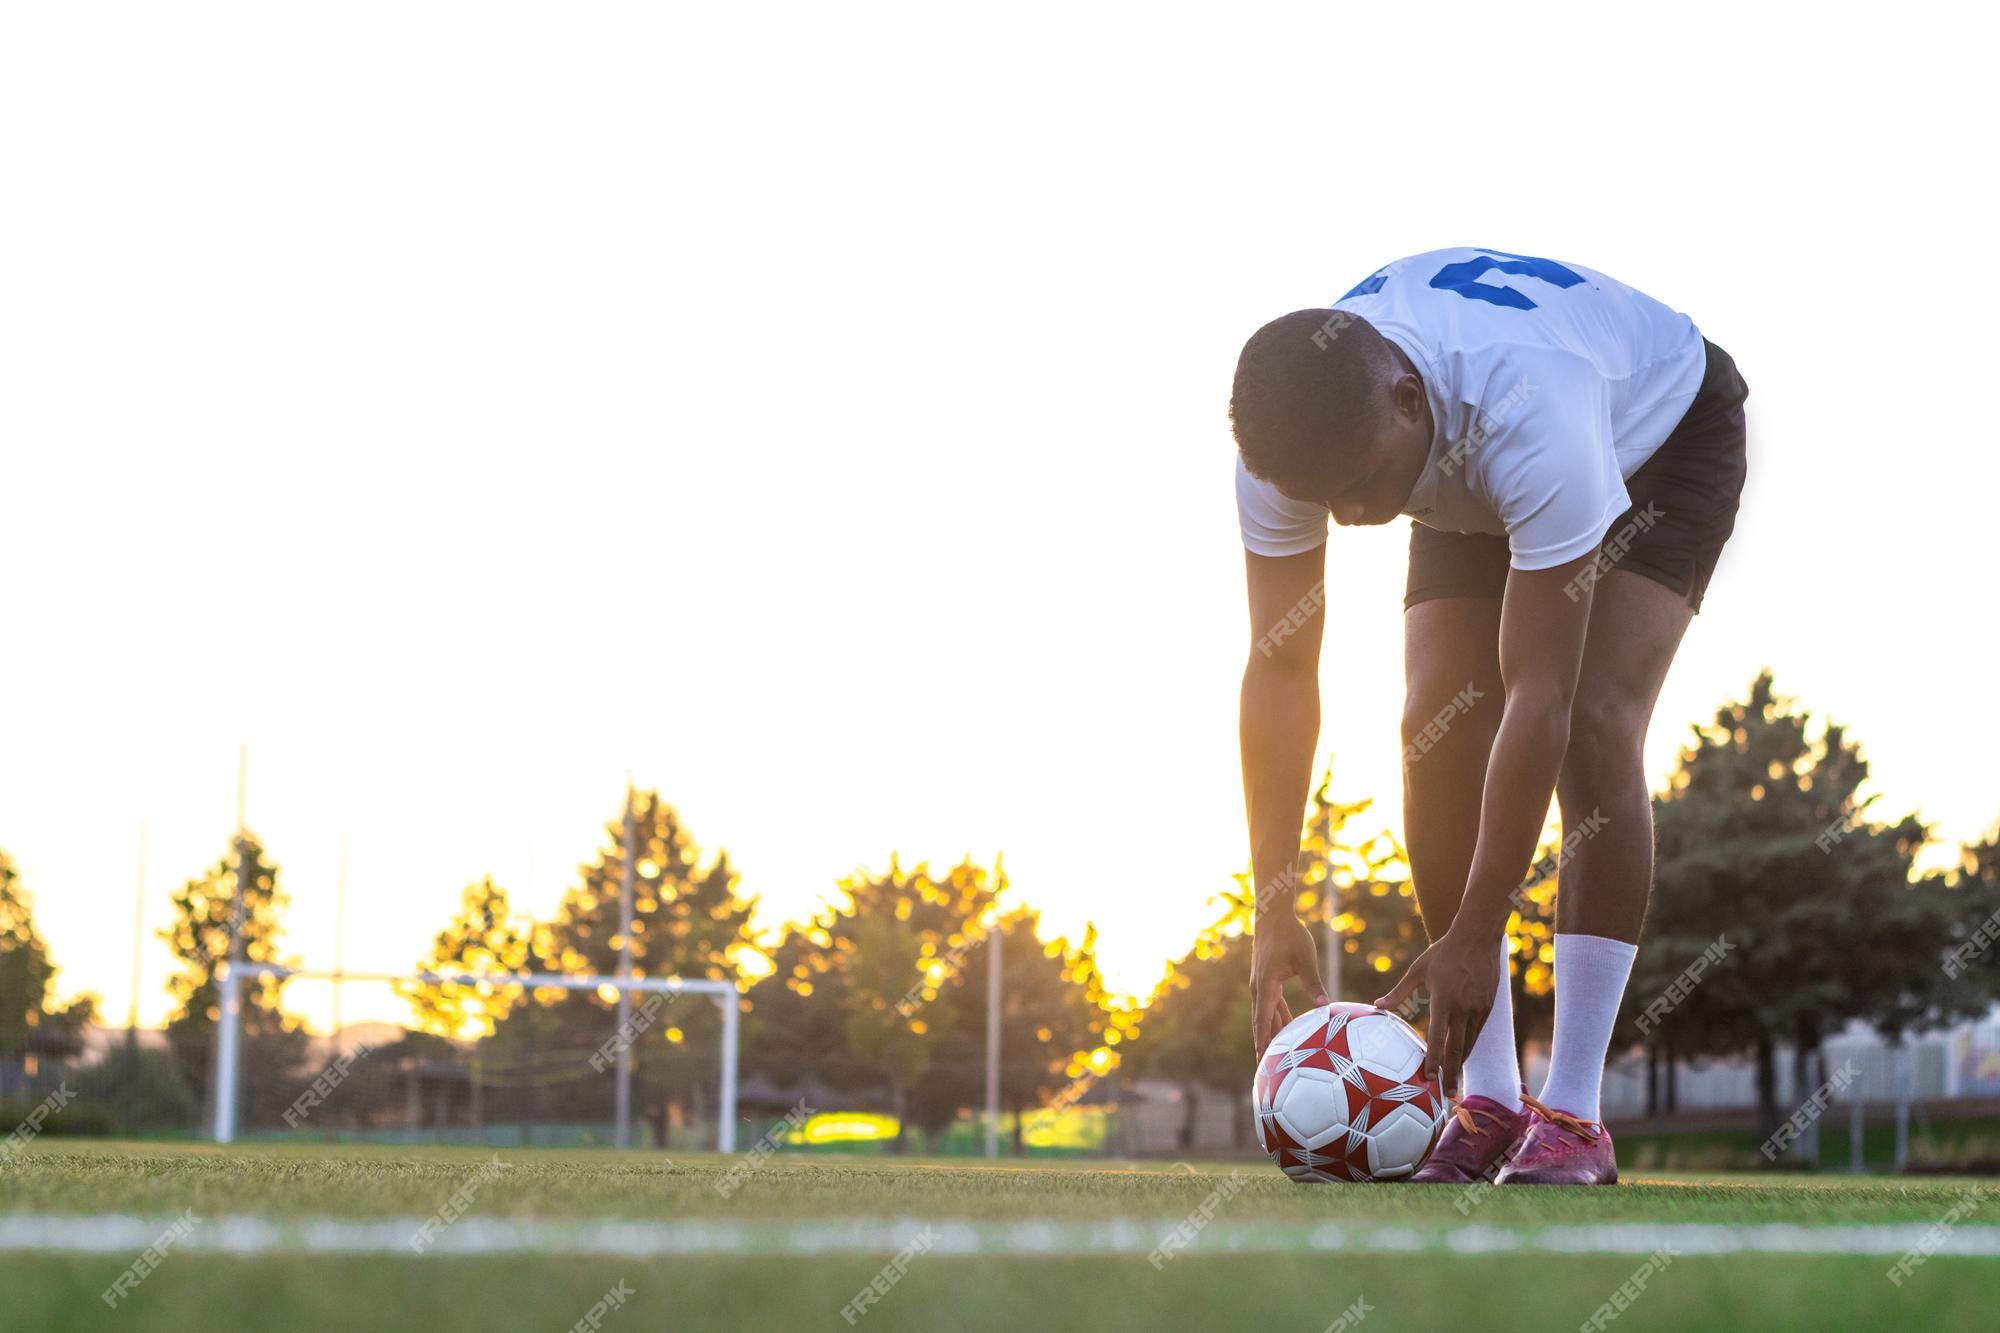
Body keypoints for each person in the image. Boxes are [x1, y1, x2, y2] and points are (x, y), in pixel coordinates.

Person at [1230, 248, 1749, 1185]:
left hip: (1659, 429)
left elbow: (1538, 697)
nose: (1347, 518)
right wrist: (1273, 901)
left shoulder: (1534, 415)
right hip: (1460, 463)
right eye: (1323, 499)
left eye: (1356, 484)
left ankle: (1575, 1117)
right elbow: (1279, 668)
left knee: (1593, 721)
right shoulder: (1291, 441)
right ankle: (1490, 1101)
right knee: (1433, 721)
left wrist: (1478, 926)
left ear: (1402, 398)